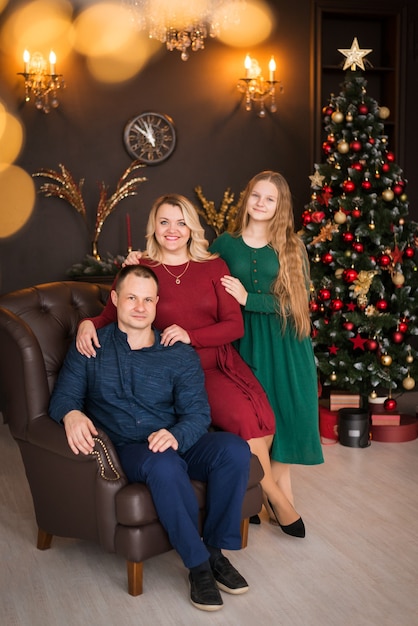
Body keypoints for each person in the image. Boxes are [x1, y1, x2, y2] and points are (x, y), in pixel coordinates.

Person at [76, 194, 305, 537]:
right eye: (164, 221)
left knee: (262, 420)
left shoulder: (213, 265)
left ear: (191, 228)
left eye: (181, 222)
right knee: (243, 421)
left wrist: (190, 334)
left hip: (220, 361)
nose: (173, 229)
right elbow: (111, 315)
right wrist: (87, 324)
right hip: (178, 371)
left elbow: (234, 326)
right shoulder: (140, 268)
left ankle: (256, 496)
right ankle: (273, 496)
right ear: (154, 226)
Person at [50, 265, 251, 612]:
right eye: (131, 298)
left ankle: (215, 551)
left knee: (234, 449)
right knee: (163, 464)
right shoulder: (91, 346)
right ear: (115, 299)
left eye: (147, 299)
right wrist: (72, 414)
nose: (139, 307)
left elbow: (198, 415)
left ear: (157, 303)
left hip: (178, 439)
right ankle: (199, 567)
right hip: (131, 448)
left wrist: (175, 435)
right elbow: (63, 398)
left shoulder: (177, 351)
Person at [210, 171, 324, 524]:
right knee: (259, 419)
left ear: (280, 206)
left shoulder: (292, 246)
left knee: (289, 414)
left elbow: (297, 304)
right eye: (256, 196)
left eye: (269, 199)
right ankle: (272, 499)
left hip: (288, 344)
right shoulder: (224, 244)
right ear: (246, 198)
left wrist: (248, 297)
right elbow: (195, 273)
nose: (260, 203)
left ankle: (265, 496)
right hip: (246, 344)